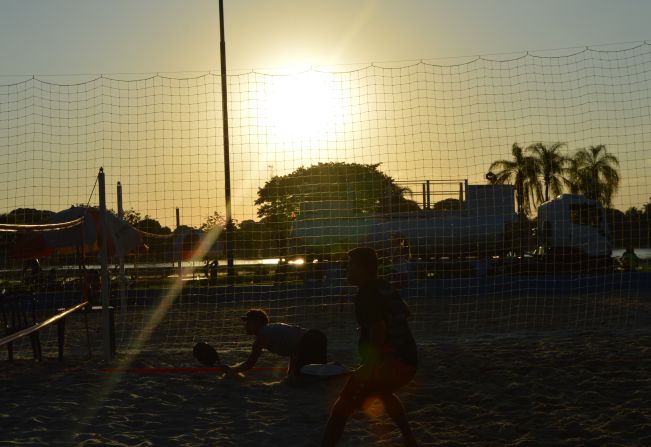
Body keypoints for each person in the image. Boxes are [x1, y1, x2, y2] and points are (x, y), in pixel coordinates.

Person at [322, 247, 418, 447]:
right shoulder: (385, 287)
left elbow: (380, 327)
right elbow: (405, 312)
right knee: (384, 393)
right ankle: (409, 439)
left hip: (387, 364)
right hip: (409, 360)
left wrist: (371, 362)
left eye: (350, 266)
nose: (347, 271)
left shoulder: (365, 294)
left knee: (341, 408)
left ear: (362, 269)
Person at [224, 308, 328, 380]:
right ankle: (333, 366)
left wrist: (232, 370)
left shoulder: (263, 335)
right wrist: (290, 373)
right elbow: (295, 351)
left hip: (311, 340)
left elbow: (250, 363)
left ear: (258, 322)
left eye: (248, 322)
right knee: (309, 374)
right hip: (316, 338)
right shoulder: (269, 330)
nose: (245, 325)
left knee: (300, 378)